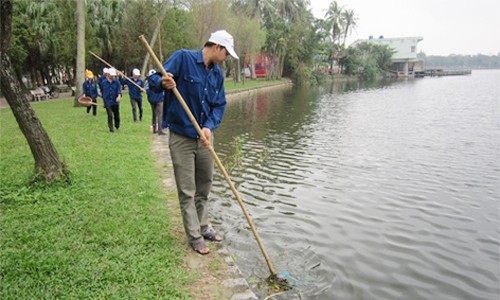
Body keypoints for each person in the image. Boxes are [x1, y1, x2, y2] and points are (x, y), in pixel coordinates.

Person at [150, 29, 238, 255]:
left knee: (205, 185)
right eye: (226, 53)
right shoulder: (183, 58)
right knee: (187, 190)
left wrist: (209, 126)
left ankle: (203, 225)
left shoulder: (217, 75)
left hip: (205, 139)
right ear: (217, 47)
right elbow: (151, 80)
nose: (226, 58)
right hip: (182, 138)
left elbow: (219, 105)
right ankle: (194, 236)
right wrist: (163, 82)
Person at [101, 68, 122, 132]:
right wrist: (104, 102)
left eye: (114, 75)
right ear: (108, 74)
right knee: (109, 114)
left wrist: (119, 96)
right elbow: (102, 92)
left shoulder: (117, 82)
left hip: (115, 101)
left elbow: (119, 91)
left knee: (116, 115)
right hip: (107, 102)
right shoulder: (103, 83)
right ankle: (111, 128)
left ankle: (117, 125)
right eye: (111, 75)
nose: (113, 77)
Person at [146, 69, 165, 135]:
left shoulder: (147, 81)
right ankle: (159, 130)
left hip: (152, 100)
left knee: (154, 114)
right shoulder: (159, 79)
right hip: (159, 99)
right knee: (159, 115)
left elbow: (147, 91)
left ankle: (155, 129)